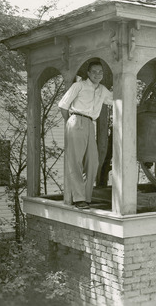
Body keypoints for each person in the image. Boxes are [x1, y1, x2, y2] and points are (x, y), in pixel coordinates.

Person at [58, 60, 113, 209]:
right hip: (76, 120)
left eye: (100, 72)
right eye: (94, 71)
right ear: (88, 73)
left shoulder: (102, 90)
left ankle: (86, 198)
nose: (97, 74)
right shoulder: (79, 86)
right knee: (75, 161)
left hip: (90, 124)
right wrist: (71, 122)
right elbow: (63, 105)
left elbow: (116, 100)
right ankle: (79, 199)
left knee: (93, 162)